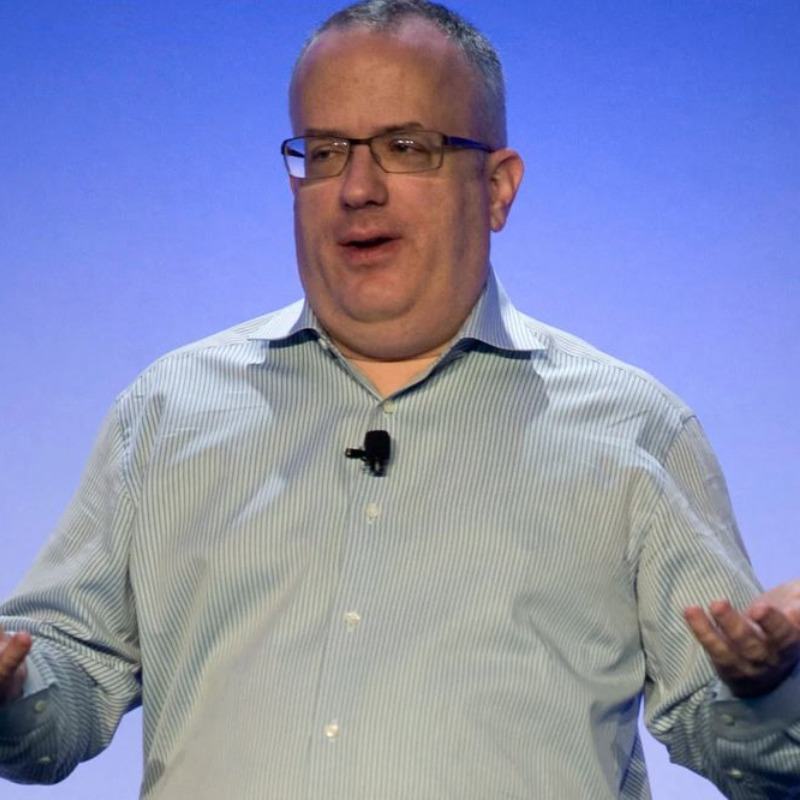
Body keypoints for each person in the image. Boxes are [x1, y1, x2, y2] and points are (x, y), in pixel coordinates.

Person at [1, 1, 799, 797]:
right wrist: (11, 689)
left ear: (497, 187)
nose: (357, 188)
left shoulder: (633, 430)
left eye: (406, 147)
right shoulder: (168, 412)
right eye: (325, 151)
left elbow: (748, 755)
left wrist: (768, 693)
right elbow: (61, 701)